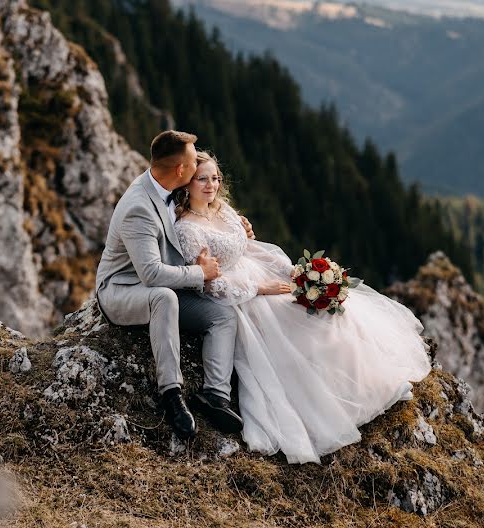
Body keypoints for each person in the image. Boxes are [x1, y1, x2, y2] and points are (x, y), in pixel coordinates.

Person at [172, 151, 432, 463]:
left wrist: (291, 272)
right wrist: (259, 288)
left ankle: (365, 382)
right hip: (244, 295)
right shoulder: (187, 228)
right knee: (302, 328)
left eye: (215, 178)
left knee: (329, 314)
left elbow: (248, 247)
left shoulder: (222, 210)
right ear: (187, 183)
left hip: (261, 271)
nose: (211, 185)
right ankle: (332, 401)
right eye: (202, 179)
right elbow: (210, 284)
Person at [95, 131, 256, 439]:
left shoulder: (170, 188)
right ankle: (172, 394)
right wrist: (200, 273)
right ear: (182, 171)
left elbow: (199, 220)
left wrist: (236, 226)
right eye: (194, 161)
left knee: (222, 315)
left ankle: (215, 396)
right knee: (164, 299)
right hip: (122, 290)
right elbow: (152, 276)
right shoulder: (139, 208)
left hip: (166, 283)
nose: (199, 164)